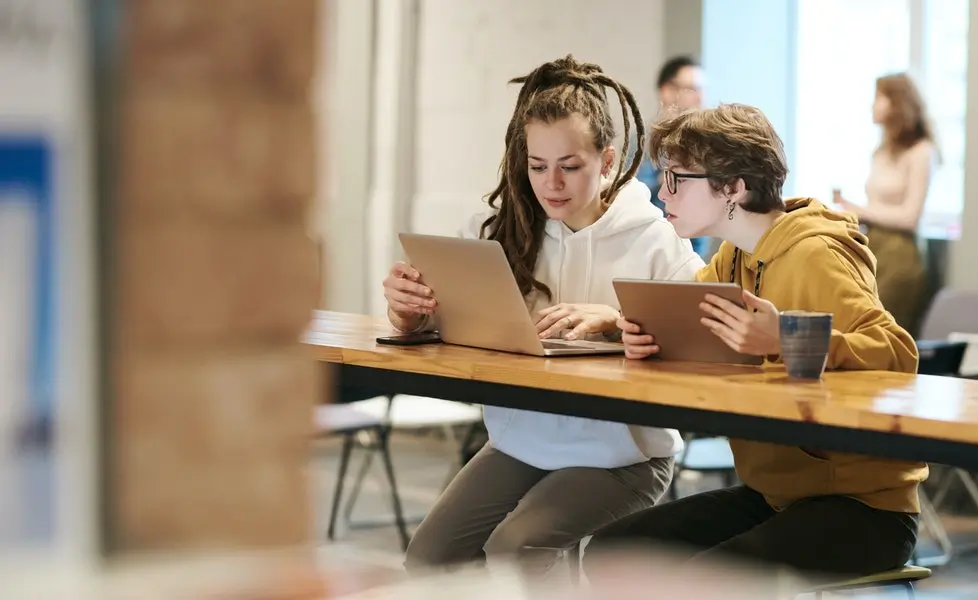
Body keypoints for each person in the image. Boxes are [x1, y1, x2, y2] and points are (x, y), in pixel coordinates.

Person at [381, 55, 705, 578]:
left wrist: (616, 317)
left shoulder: (654, 234)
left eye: (570, 166)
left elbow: (704, 329)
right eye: (537, 166)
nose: (551, 183)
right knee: (429, 558)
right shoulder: (498, 230)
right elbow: (444, 325)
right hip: (521, 442)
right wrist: (408, 316)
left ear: (607, 161)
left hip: (624, 453)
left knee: (517, 548)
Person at [583, 103, 927, 583]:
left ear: (733, 187)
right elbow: (690, 329)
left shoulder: (816, 253)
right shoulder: (732, 260)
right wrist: (626, 326)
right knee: (611, 551)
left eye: (677, 179)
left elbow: (898, 355)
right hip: (777, 496)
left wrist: (786, 335)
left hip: (866, 509)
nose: (662, 193)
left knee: (702, 582)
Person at [833, 73, 937, 333]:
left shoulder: (921, 152)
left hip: (900, 255)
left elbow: (910, 217)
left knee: (879, 334)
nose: (873, 105)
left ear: (898, 103)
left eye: (879, 98)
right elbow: (875, 207)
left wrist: (862, 210)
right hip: (872, 247)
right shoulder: (879, 152)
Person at [636, 55, 711, 257]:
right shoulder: (642, 144)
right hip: (648, 251)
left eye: (701, 90)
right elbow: (632, 197)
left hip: (695, 256)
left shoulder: (706, 144)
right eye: (692, 89)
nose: (700, 99)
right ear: (667, 91)